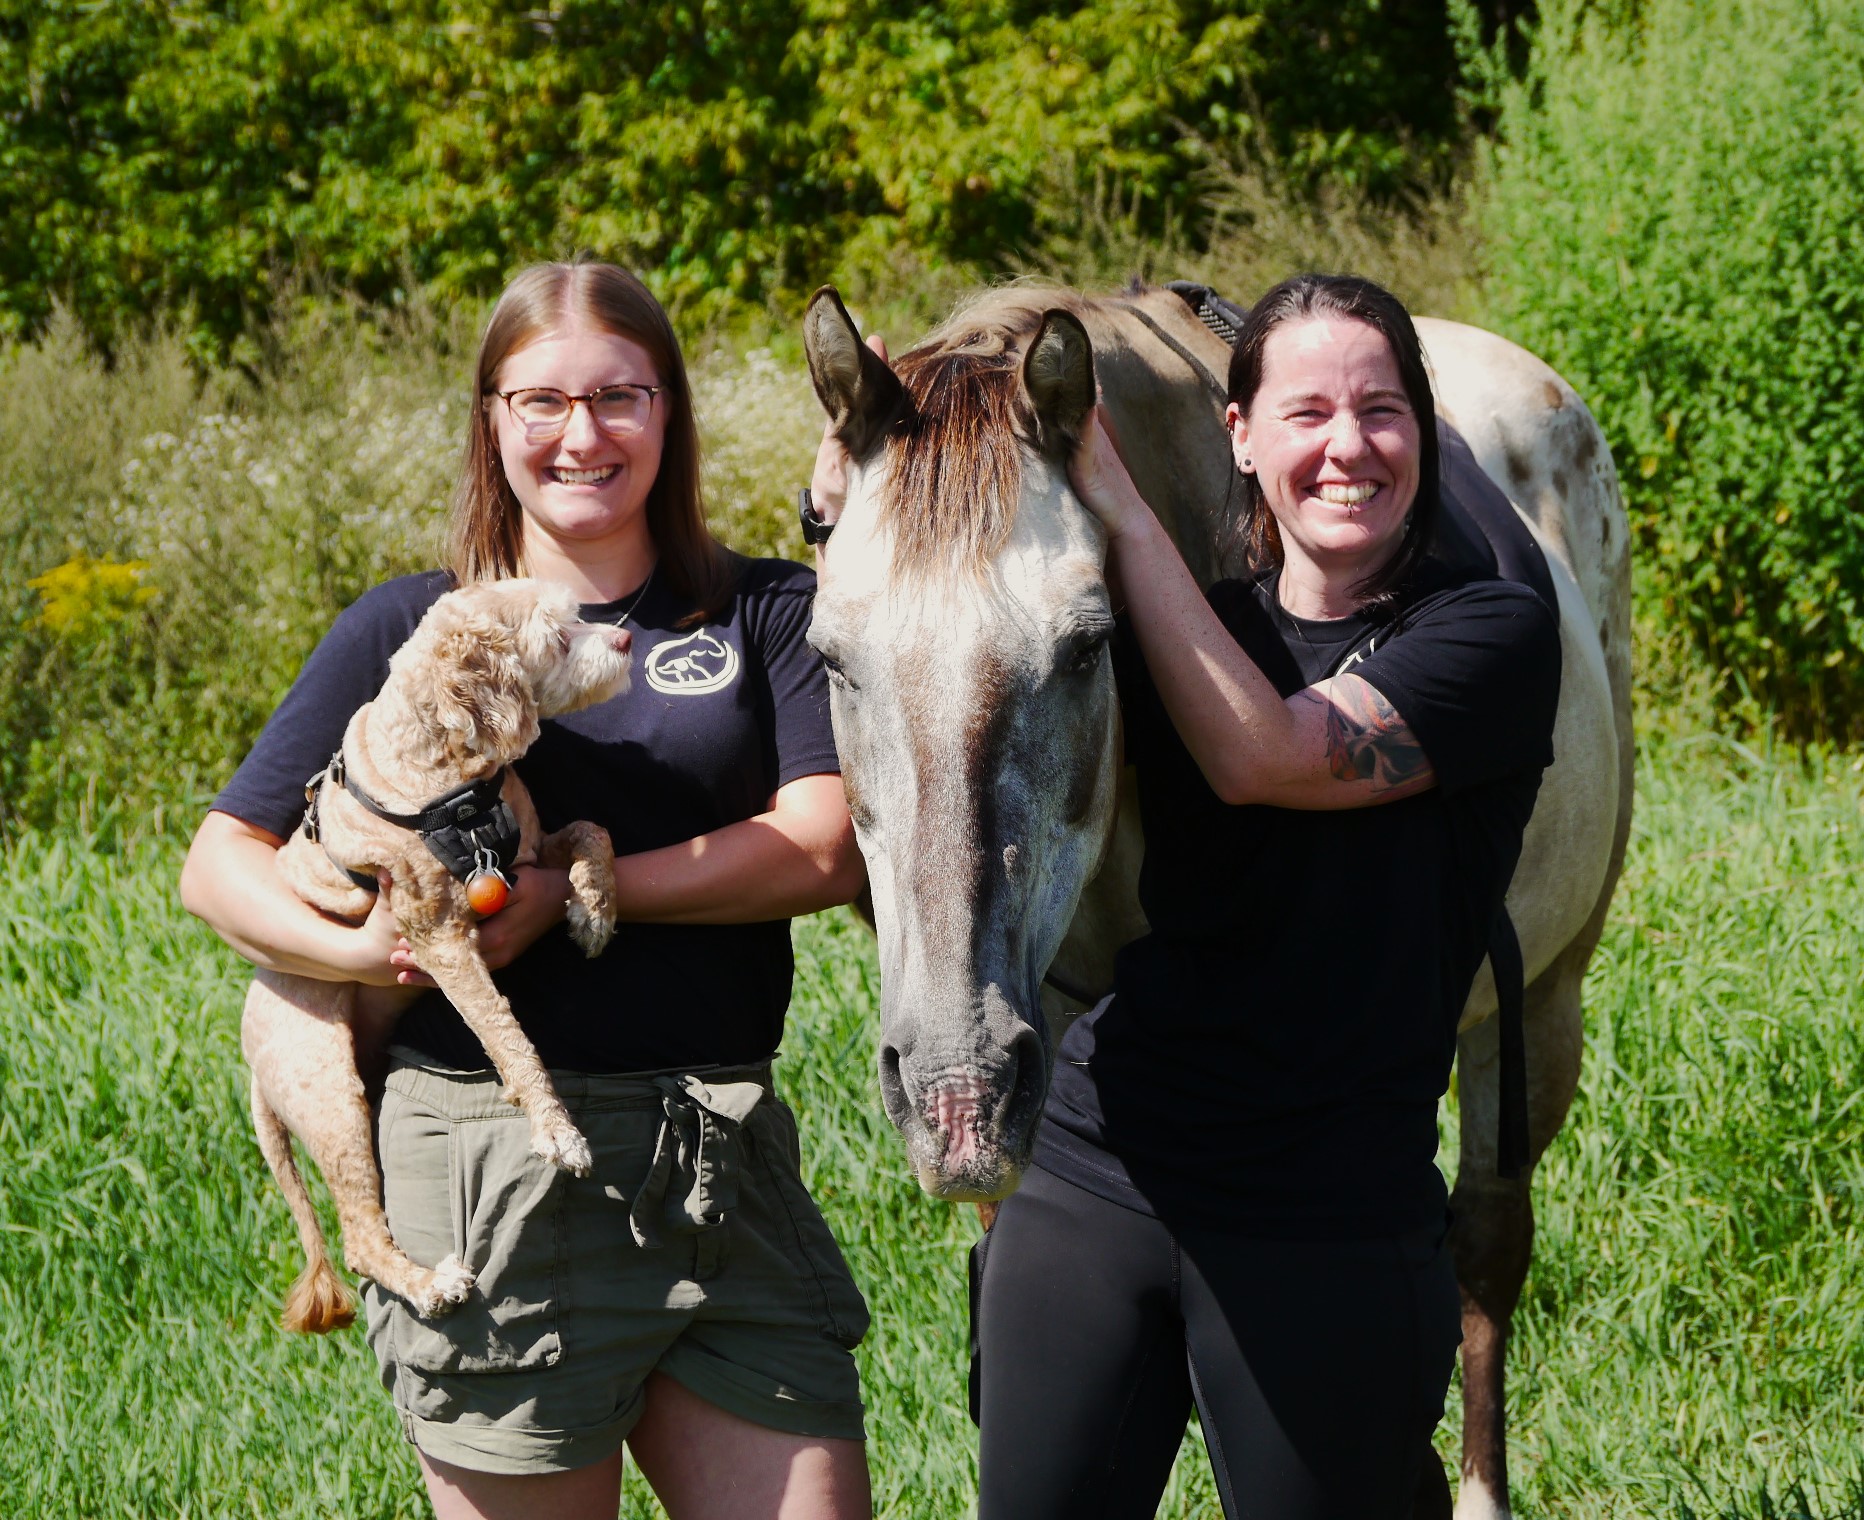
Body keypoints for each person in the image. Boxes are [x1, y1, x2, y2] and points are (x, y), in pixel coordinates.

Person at [181, 260, 873, 1520]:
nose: (581, 433)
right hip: (486, 1160)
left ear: (669, 411)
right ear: (491, 417)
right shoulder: (419, 626)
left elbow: (823, 846)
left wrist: (577, 896)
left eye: (619, 394)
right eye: (540, 398)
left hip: (715, 1152)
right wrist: (378, 948)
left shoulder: (766, 605)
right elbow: (218, 863)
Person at [954, 273, 1563, 1518]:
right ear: (1240, 435)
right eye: (1305, 413)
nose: (1347, 445)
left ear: (1422, 430)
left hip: (1325, 1215)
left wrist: (1116, 504)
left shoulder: (1489, 637)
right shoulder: (1194, 628)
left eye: (1382, 410)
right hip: (1096, 1176)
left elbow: (1269, 754)